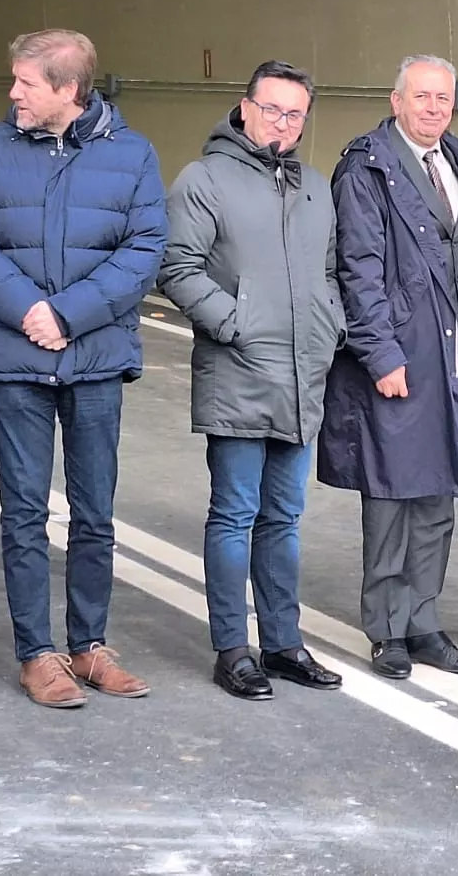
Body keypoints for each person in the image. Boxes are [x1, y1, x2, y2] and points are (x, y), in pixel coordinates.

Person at [0, 29, 166, 710]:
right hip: (18, 361)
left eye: (25, 83)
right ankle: (36, 654)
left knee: (95, 513)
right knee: (22, 514)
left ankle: (89, 646)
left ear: (66, 90)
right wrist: (27, 310)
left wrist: (67, 314)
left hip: (94, 359)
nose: (12, 93)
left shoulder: (132, 156)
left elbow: (145, 247)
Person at [160, 61, 346, 700]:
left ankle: (284, 642)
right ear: (245, 108)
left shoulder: (314, 187)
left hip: (301, 376)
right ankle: (233, 649)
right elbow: (178, 266)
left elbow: (330, 271)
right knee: (235, 515)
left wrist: (330, 328)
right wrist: (234, 323)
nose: (283, 124)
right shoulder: (205, 179)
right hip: (238, 372)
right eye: (272, 110)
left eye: (295, 114)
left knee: (284, 519)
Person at [317, 55, 458, 680]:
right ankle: (386, 629)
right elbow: (357, 270)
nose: (433, 107)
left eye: (443, 97)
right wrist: (381, 355)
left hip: (452, 357)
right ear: (396, 100)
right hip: (398, 358)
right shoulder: (365, 166)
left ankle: (423, 621)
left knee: (437, 496)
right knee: (392, 495)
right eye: (420, 96)